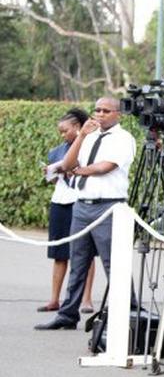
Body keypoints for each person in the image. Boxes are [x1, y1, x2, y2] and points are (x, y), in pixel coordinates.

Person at [35, 97, 136, 330]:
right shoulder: (88, 136)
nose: (100, 114)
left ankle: (130, 312)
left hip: (108, 206)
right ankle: (68, 315)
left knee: (114, 262)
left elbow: (105, 167)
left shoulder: (123, 139)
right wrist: (81, 136)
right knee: (78, 261)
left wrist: (79, 171)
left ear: (118, 114)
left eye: (106, 111)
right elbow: (67, 164)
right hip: (82, 206)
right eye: (97, 110)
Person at [39, 108, 97, 315]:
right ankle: (54, 299)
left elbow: (90, 170)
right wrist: (51, 173)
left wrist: (74, 168)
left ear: (77, 127)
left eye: (65, 131)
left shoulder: (89, 146)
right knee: (59, 253)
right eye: (60, 132)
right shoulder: (56, 151)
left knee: (84, 253)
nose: (62, 135)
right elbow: (55, 179)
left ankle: (86, 299)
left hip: (79, 201)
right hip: (60, 201)